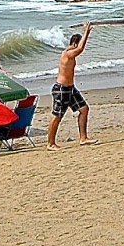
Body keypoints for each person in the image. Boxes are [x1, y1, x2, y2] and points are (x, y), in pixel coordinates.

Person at [47, 22, 98, 150]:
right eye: (78, 44)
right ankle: (50, 144)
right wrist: (87, 32)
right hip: (62, 89)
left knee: (84, 109)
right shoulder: (67, 53)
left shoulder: (71, 52)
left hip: (70, 88)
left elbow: (79, 49)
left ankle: (83, 138)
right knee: (57, 115)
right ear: (75, 43)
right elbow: (80, 49)